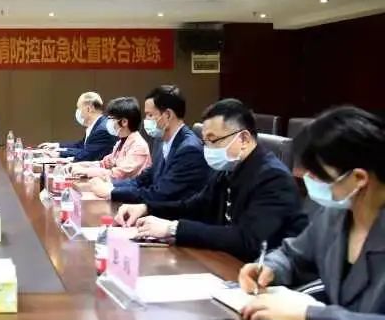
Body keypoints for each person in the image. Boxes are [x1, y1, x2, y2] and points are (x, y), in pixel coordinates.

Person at [238, 106, 385, 320]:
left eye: (319, 177)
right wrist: (270, 268)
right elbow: (292, 255)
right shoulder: (335, 215)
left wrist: (310, 316)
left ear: (359, 178)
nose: (309, 182)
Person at [115, 99, 307, 261]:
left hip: (263, 276)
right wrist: (147, 208)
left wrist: (173, 229)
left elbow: (248, 240)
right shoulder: (228, 169)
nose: (207, 148)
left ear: (244, 139)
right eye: (205, 141)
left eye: (213, 140)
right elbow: (194, 206)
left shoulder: (273, 178)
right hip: (225, 261)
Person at [89, 85, 208, 203]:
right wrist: (111, 185)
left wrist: (111, 192)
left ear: (168, 115)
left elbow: (161, 193)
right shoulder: (161, 141)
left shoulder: (188, 149)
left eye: (150, 115)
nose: (146, 120)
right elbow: (143, 179)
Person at [70, 96, 151, 181]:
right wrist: (79, 165)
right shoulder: (121, 142)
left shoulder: (138, 146)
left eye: (111, 119)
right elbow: (104, 164)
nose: (108, 122)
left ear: (124, 122)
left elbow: (118, 174)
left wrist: (87, 171)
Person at [38, 92, 116, 162]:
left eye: (79, 108)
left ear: (88, 109)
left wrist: (59, 154)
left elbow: (88, 154)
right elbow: (81, 146)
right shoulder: (97, 125)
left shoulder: (102, 130)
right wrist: (57, 146)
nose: (78, 112)